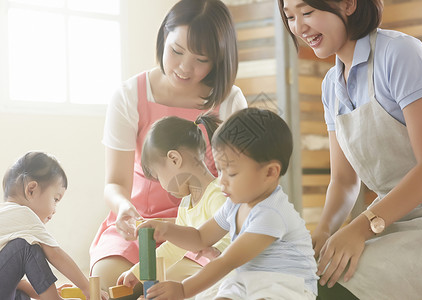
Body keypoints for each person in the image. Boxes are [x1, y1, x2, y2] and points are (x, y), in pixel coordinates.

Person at [278, 0, 422, 299]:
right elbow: (344, 181)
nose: (299, 27)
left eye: (307, 12)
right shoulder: (331, 85)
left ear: (347, 4)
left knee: (336, 282)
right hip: (397, 216)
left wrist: (361, 229)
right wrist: (323, 232)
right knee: (309, 275)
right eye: (290, 17)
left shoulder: (401, 53)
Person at [89, 0, 247, 294]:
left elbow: (240, 188)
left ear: (219, 59)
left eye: (202, 59)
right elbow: (114, 184)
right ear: (163, 37)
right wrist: (125, 209)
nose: (185, 68)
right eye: (176, 51)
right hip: (138, 226)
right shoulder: (128, 96)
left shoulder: (230, 100)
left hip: (203, 227)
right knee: (110, 286)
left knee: (179, 288)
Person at [137, 108, 318, 300]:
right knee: (220, 292)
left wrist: (183, 289)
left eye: (230, 173)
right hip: (247, 280)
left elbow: (226, 262)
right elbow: (200, 237)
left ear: (270, 173)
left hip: (287, 286)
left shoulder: (271, 213)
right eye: (220, 170)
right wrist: (165, 230)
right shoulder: (235, 204)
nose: (221, 181)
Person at [116, 113, 231, 293]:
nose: (162, 185)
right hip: (210, 278)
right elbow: (174, 247)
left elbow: (232, 240)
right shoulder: (186, 203)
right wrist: (137, 271)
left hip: (228, 276)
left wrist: (216, 252)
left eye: (158, 176)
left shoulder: (217, 195)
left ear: (174, 159)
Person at [0, 152, 108, 300]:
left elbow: (15, 281)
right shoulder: (24, 215)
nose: (55, 210)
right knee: (27, 247)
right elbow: (55, 254)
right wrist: (87, 287)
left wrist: (49, 290)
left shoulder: (7, 217)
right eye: (55, 199)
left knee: (21, 294)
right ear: (31, 190)